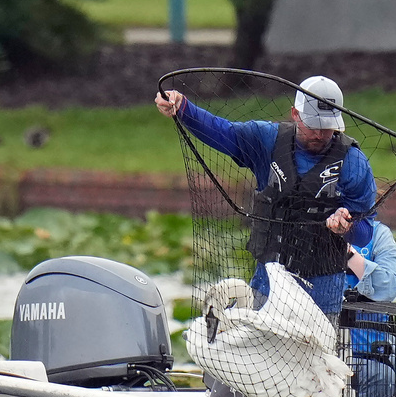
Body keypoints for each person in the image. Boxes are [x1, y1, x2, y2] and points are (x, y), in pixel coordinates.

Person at [156, 75, 377, 316]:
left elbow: (365, 232)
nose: (319, 134)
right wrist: (183, 108)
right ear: (295, 114)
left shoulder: (354, 163)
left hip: (322, 301)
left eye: (327, 127)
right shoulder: (266, 139)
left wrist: (347, 227)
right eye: (313, 125)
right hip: (266, 290)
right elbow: (222, 132)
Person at [343, 220, 396, 397]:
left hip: (378, 343)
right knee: (380, 375)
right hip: (336, 346)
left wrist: (350, 257)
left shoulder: (379, 233)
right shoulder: (315, 230)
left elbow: (389, 287)